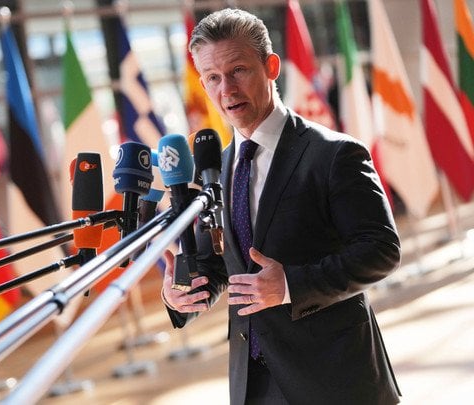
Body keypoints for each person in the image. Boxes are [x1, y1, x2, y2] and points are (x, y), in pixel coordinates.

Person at [161, 8, 401, 405]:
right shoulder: (215, 170)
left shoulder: (334, 154)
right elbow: (221, 264)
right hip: (253, 384)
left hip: (335, 379)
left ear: (270, 67)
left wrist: (290, 284)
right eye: (213, 77)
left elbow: (381, 250)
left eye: (238, 70)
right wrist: (183, 294)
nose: (227, 89)